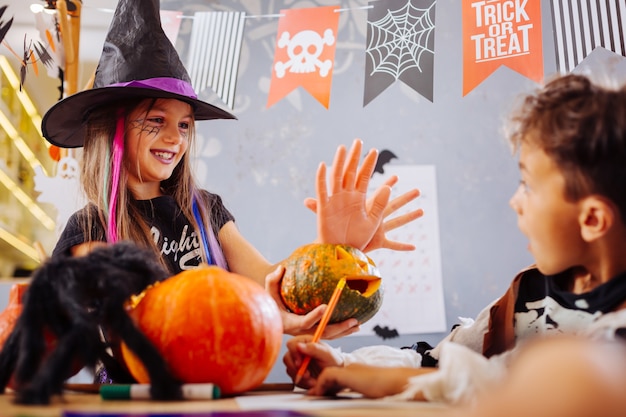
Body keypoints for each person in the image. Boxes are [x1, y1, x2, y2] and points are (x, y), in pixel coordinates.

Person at [41, 0, 421, 340]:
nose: (176, 137)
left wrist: (334, 253)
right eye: (156, 119)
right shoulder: (87, 230)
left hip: (219, 386)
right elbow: (49, 333)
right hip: (128, 399)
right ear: (113, 131)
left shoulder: (206, 211)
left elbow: (273, 285)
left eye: (186, 124)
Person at [283, 73, 626, 403]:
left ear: (592, 219)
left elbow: (495, 384)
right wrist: (344, 365)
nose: (515, 200)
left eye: (528, 185)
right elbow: (440, 361)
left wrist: (363, 376)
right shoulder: (530, 290)